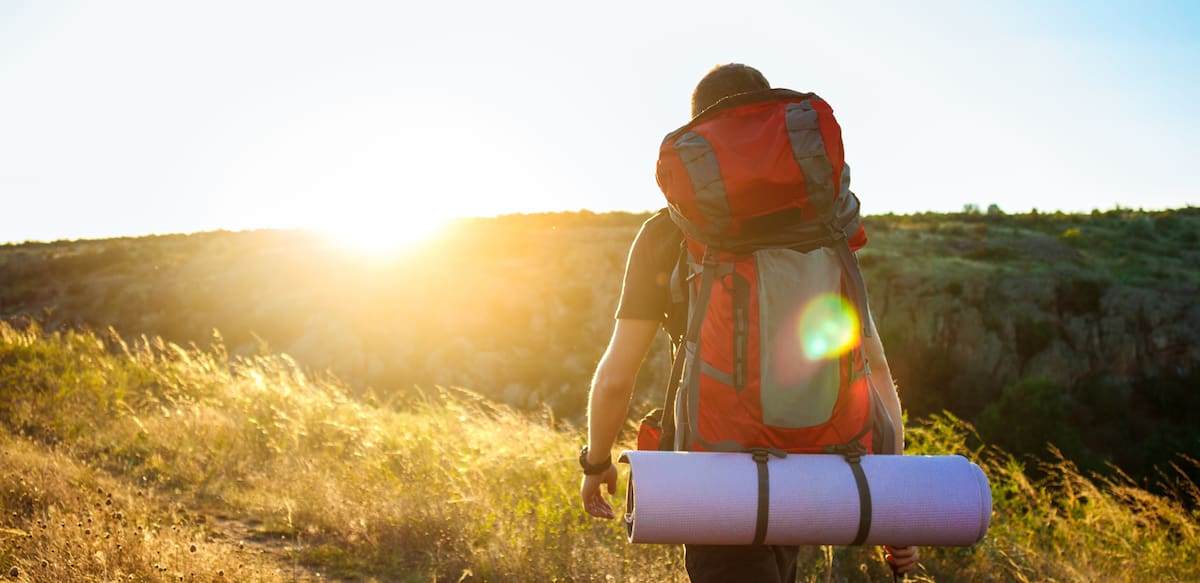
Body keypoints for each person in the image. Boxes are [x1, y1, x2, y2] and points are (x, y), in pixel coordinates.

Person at [577, 64, 919, 581]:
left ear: (701, 134)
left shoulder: (668, 232)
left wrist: (596, 461)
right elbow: (873, 369)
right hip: (811, 467)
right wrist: (888, 503)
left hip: (714, 475)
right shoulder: (823, 231)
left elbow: (617, 375)